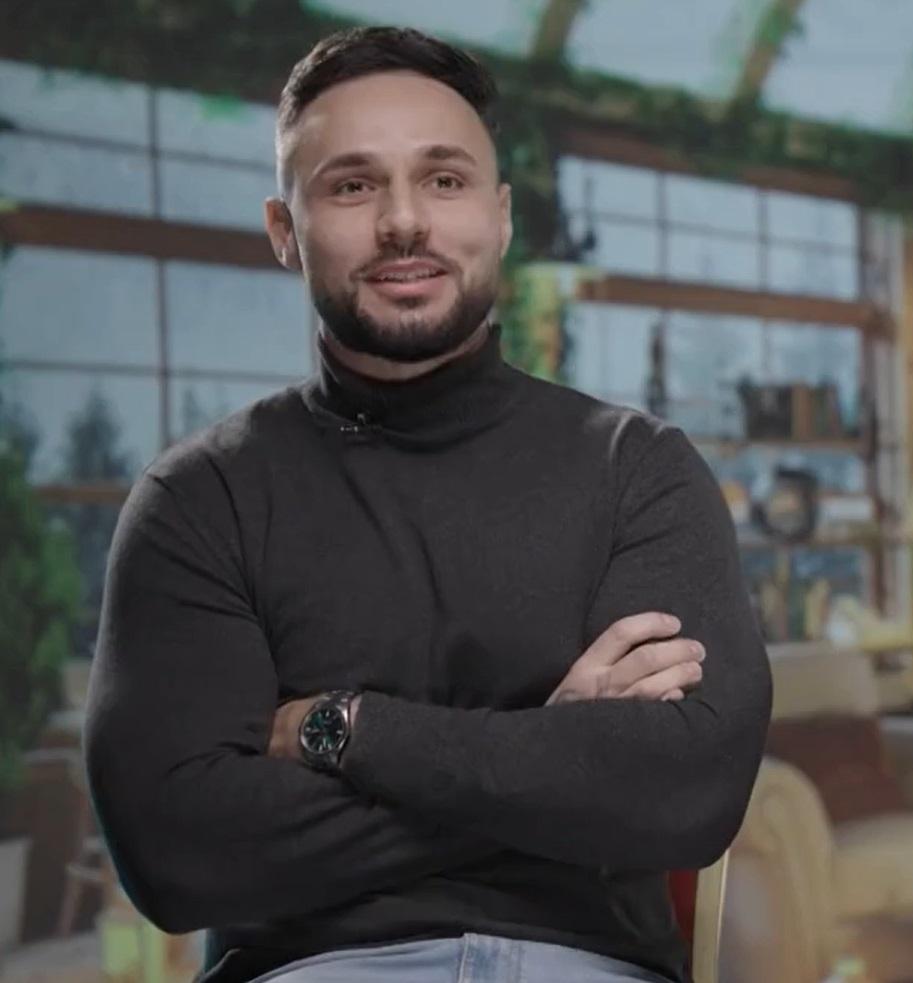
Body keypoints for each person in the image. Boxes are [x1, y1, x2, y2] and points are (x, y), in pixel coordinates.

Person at [83, 26, 771, 983]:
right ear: (285, 229)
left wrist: (343, 728)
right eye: (352, 186)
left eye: (444, 180)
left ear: (500, 216)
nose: (404, 221)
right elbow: (176, 852)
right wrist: (549, 756)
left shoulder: (638, 469)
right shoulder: (201, 499)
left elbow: (687, 792)